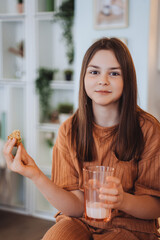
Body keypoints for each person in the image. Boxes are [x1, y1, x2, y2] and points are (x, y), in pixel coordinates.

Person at [3, 37, 160, 240]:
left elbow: (155, 207)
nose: (103, 80)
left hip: (131, 228)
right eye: (94, 72)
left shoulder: (148, 129)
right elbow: (75, 207)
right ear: (84, 77)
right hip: (80, 222)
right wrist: (36, 175)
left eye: (114, 73)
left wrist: (123, 201)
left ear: (127, 80)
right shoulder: (69, 130)